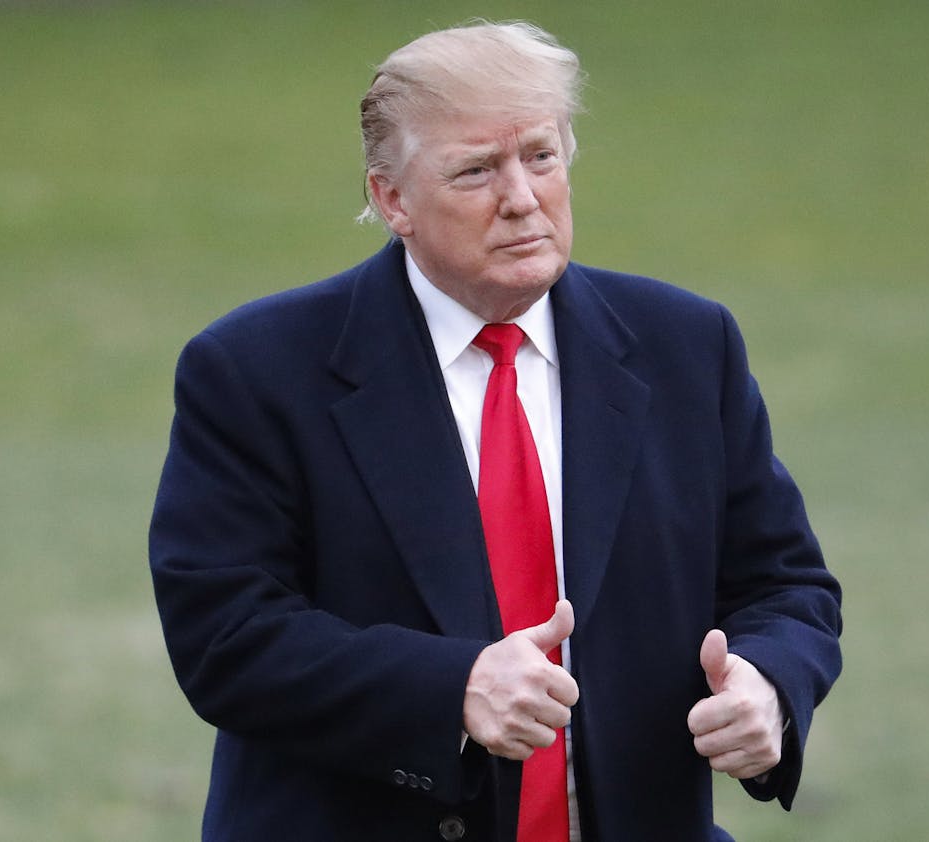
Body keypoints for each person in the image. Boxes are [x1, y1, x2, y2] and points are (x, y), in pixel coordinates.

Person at [149, 20, 841, 842]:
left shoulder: (687, 347)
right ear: (392, 199)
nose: (521, 196)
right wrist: (451, 690)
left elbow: (787, 586)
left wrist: (767, 686)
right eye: (476, 170)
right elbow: (226, 637)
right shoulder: (255, 370)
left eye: (541, 156)